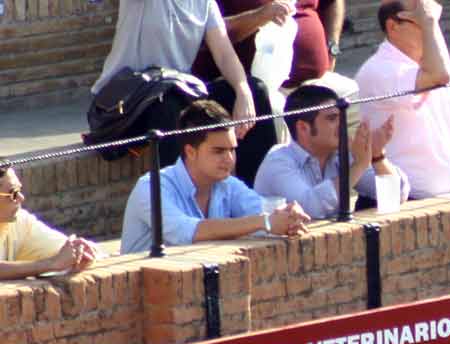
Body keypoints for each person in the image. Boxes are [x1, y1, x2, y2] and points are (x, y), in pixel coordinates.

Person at [91, 0, 277, 186]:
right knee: (168, 106)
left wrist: (243, 93)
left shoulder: (205, 3)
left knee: (255, 90)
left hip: (177, 91)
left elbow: (224, 54)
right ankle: (175, 201)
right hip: (123, 103)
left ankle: (259, 198)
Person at [355, 0, 450, 199]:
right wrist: (429, 23)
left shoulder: (442, 65)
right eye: (422, 20)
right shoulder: (377, 70)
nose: (433, 27)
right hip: (399, 204)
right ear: (393, 27)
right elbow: (439, 77)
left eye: (434, 20)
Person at [121, 100, 309, 255]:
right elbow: (187, 233)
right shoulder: (151, 187)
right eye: (219, 151)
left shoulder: (228, 184)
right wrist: (266, 222)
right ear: (191, 152)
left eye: (232, 150)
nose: (229, 159)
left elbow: (260, 210)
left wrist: (286, 215)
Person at [255, 85, 411, 218]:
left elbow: (398, 194)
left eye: (341, 117)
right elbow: (309, 209)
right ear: (303, 127)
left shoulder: (339, 154)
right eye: (332, 118)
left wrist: (377, 156)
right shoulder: (278, 161)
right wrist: (359, 166)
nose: (341, 124)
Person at [192, 0, 346, 88]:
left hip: (317, 81)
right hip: (254, 91)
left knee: (354, 97)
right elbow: (202, 34)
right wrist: (259, 17)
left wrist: (332, 48)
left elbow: (331, 2)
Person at [0, 165, 98, 280]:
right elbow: (57, 261)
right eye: (13, 193)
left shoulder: (19, 220)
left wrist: (79, 252)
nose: (21, 198)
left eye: (19, 190)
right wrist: (51, 264)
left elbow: (63, 253)